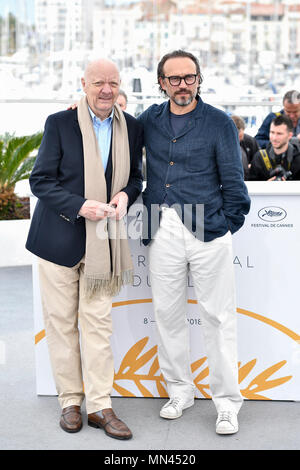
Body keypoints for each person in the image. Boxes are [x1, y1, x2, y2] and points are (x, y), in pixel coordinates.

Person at [26, 59, 143, 439]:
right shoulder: (59, 124)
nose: (106, 89)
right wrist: (80, 205)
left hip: (103, 247)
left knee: (98, 326)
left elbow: (137, 178)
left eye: (112, 82)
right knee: (60, 324)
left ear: (119, 85)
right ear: (84, 85)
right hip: (57, 241)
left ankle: (100, 405)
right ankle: (70, 402)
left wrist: (127, 193)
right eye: (98, 83)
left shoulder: (134, 128)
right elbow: (40, 181)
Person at [137, 50, 250, 435]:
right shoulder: (148, 120)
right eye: (174, 79)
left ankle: (227, 403)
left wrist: (225, 225)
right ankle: (180, 390)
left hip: (208, 230)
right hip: (160, 227)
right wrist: (79, 108)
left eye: (189, 77)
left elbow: (234, 183)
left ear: (199, 79)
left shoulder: (218, 122)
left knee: (218, 317)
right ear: (161, 82)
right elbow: (112, 130)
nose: (182, 85)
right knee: (167, 315)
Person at [249, 114, 300, 181]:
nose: (274, 138)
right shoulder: (259, 158)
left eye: (279, 134)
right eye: (272, 132)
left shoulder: (298, 159)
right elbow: (251, 187)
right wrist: (266, 186)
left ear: (290, 135)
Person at [231, 115, 260, 180]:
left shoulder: (250, 141)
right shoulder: (222, 143)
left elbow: (259, 159)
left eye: (239, 133)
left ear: (243, 129)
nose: (237, 139)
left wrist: (252, 166)